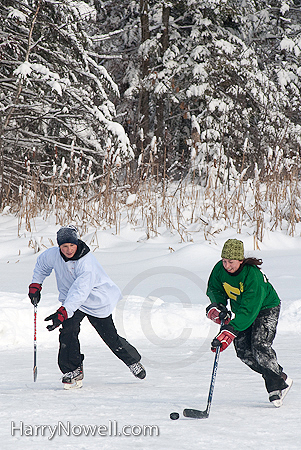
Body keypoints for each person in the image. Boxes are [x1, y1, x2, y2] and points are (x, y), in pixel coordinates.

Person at [28, 225, 146, 389]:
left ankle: (133, 361)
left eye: (72, 245)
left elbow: (80, 292)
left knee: (110, 337)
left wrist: (62, 313)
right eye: (64, 246)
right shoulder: (53, 255)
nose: (69, 250)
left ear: (77, 243)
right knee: (68, 332)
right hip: (72, 301)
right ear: (59, 246)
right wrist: (35, 285)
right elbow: (42, 266)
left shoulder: (86, 263)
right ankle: (73, 370)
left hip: (95, 301)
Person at [205, 238, 292, 407]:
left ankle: (275, 388)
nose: (227, 265)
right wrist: (219, 306)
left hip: (265, 308)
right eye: (224, 261)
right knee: (244, 352)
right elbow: (214, 289)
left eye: (231, 262)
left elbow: (250, 309)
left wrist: (231, 329)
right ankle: (280, 377)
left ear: (240, 260)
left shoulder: (253, 275)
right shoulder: (219, 269)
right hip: (244, 310)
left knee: (260, 345)